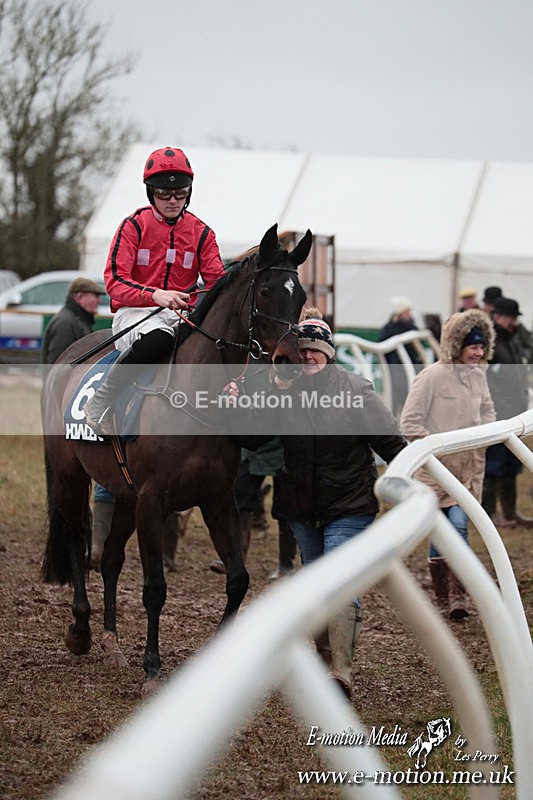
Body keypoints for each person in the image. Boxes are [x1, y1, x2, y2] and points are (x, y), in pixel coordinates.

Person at [274, 309, 407, 699]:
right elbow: (251, 440)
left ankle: (341, 674)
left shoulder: (355, 390)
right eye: (302, 352)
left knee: (340, 582)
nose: (309, 358)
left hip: (349, 503)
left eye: (316, 351)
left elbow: (390, 442)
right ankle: (326, 658)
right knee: (316, 583)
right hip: (301, 506)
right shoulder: (281, 391)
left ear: (329, 354)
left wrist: (414, 480)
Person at [83, 146, 225, 436]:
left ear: (189, 192)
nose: (173, 200)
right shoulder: (132, 227)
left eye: (180, 192)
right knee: (160, 339)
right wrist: (155, 295)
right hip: (135, 313)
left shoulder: (202, 234)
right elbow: (114, 283)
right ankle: (101, 401)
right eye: (163, 193)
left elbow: (217, 283)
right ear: (150, 193)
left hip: (181, 315)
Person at [400, 309, 496, 619]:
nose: (478, 353)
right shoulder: (431, 377)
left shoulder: (479, 376)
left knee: (455, 526)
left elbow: (489, 413)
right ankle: (447, 595)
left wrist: (487, 434)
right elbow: (409, 422)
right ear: (457, 347)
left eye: (482, 347)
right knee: (448, 529)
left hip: (468, 473)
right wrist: (437, 447)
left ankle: (454, 596)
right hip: (435, 474)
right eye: (473, 347)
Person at [41, 277, 115, 567]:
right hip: (69, 410)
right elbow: (60, 373)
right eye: (93, 297)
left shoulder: (78, 322)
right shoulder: (66, 324)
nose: (97, 302)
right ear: (78, 296)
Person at [482, 297, 533, 528]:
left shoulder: (512, 341)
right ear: (500, 317)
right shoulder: (490, 343)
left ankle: (510, 511)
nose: (514, 322)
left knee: (512, 464)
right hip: (498, 415)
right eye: (511, 318)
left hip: (515, 413)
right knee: (494, 465)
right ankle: (489, 513)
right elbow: (489, 381)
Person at [378, 296, 422, 415]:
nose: (409, 314)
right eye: (407, 311)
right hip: (396, 372)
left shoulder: (412, 328)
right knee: (394, 400)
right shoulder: (389, 329)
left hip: (411, 369)